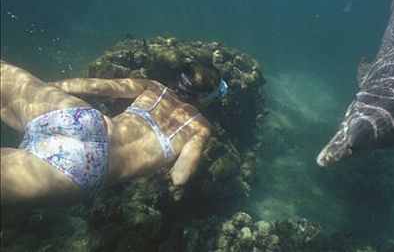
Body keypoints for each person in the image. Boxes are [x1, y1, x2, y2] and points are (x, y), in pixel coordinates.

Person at [0, 59, 227, 211]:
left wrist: (41, 88)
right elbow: (180, 177)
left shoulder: (154, 88)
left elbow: (96, 87)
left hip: (84, 120)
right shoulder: (200, 127)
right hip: (86, 168)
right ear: (207, 97)